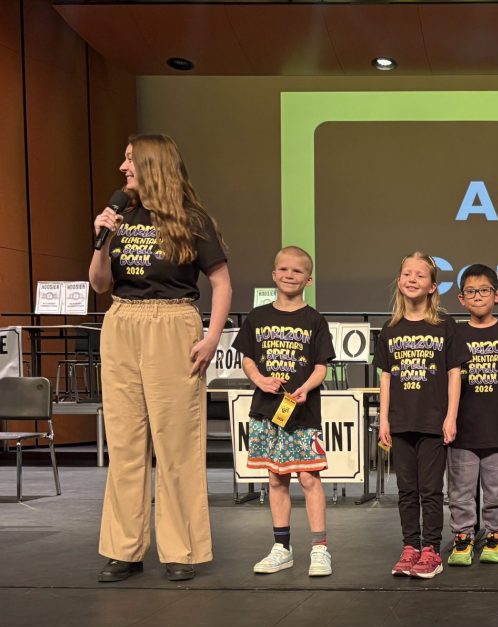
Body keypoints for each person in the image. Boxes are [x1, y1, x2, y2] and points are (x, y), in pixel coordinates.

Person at [89, 134, 231, 582]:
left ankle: (181, 549)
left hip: (172, 323)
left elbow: (222, 283)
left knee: (176, 443)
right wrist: (100, 241)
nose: (121, 167)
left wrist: (211, 339)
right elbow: (98, 284)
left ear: (152, 164)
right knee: (126, 441)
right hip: (122, 321)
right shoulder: (121, 216)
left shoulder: (192, 218)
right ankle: (123, 549)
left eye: (129, 159)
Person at [233, 246, 335, 577]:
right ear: (274, 274)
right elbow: (247, 356)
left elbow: (321, 366)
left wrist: (306, 386)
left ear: (309, 278)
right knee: (276, 478)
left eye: (297, 271)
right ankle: (282, 547)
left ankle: (319, 549)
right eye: (284, 269)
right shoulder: (258, 316)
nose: (290, 275)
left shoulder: (314, 319)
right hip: (266, 411)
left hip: (302, 414)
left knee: (308, 478)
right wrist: (259, 378)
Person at [375, 252, 470, 579]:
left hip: (432, 422)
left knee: (430, 490)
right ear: (399, 281)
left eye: (419, 275)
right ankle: (409, 547)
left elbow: (454, 373)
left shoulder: (446, 325)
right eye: (406, 274)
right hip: (400, 423)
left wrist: (451, 416)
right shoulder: (389, 329)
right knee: (406, 490)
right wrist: (383, 419)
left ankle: (431, 550)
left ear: (432, 285)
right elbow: (386, 377)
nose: (412, 279)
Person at [447, 265, 498, 566]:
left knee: (496, 489)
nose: (477, 296)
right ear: (461, 298)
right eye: (471, 292)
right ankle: (463, 537)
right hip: (463, 428)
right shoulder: (454, 333)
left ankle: (495, 536)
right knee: (461, 490)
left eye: (484, 290)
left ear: (497, 294)